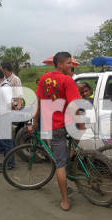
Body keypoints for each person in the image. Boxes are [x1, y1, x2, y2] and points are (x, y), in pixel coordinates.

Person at [28, 52, 82, 211]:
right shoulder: (67, 80)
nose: (71, 66)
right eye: (68, 63)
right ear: (59, 64)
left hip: (53, 126)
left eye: (71, 63)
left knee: (60, 164)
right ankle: (70, 155)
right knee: (73, 141)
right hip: (67, 123)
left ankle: (65, 200)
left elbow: (38, 102)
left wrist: (35, 122)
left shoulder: (44, 78)